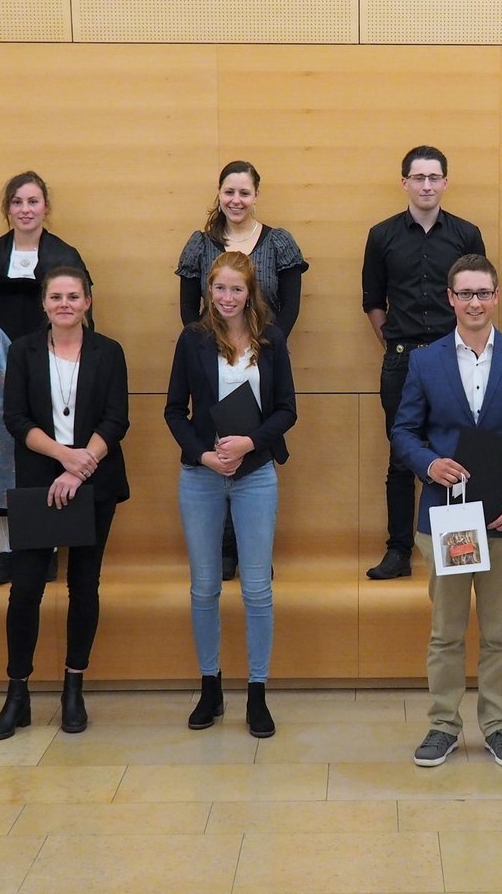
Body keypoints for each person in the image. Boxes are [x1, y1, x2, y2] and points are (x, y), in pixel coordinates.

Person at [391, 254, 502, 768]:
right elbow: (403, 432)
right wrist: (428, 463)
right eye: (465, 294)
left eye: (483, 293)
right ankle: (443, 724)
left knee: (500, 631)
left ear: (497, 296)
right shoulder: (425, 360)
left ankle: (498, 725)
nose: (475, 302)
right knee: (447, 630)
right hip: (448, 518)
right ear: (450, 299)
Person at [0, 266, 130, 740]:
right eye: (56, 296)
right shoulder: (23, 350)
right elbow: (15, 417)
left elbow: (116, 419)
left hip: (94, 481)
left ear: (88, 301)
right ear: (44, 303)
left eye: (73, 296)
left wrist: (80, 465)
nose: (64, 304)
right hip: (38, 483)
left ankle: (74, 689)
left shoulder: (109, 352)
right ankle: (18, 694)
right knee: (25, 589)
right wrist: (62, 459)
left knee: (83, 587)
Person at [165, 252, 297, 738]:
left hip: (255, 473)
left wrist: (250, 443)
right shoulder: (193, 339)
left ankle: (257, 693)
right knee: (204, 587)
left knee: (258, 588)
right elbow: (175, 411)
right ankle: (211, 687)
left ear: (250, 293)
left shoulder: (271, 340)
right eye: (218, 288)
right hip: (201, 476)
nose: (226, 298)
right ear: (208, 291)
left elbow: (287, 410)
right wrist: (204, 456)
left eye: (235, 289)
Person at [0, 171, 92, 585]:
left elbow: (82, 317)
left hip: (49, 356)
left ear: (46, 206)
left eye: (33, 201)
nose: (26, 209)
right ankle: (5, 551)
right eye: (17, 202)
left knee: (45, 448)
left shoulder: (66, 254)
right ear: (8, 208)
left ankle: (45, 546)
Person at [178, 161, 306, 582]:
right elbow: (186, 311)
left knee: (251, 453)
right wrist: (213, 351)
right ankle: (225, 551)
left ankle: (251, 551)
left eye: (244, 192)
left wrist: (264, 347)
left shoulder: (279, 242)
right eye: (228, 192)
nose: (236, 200)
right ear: (219, 194)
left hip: (260, 359)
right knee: (219, 449)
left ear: (255, 195)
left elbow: (290, 304)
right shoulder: (199, 245)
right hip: (213, 359)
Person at [362, 146, 485, 580]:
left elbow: (477, 297)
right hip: (403, 360)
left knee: (458, 453)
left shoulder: (467, 235)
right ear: (405, 183)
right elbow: (373, 303)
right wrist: (396, 345)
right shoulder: (382, 235)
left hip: (456, 360)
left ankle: (460, 550)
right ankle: (399, 552)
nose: (427, 185)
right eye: (419, 178)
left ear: (446, 182)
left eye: (434, 177)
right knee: (401, 458)